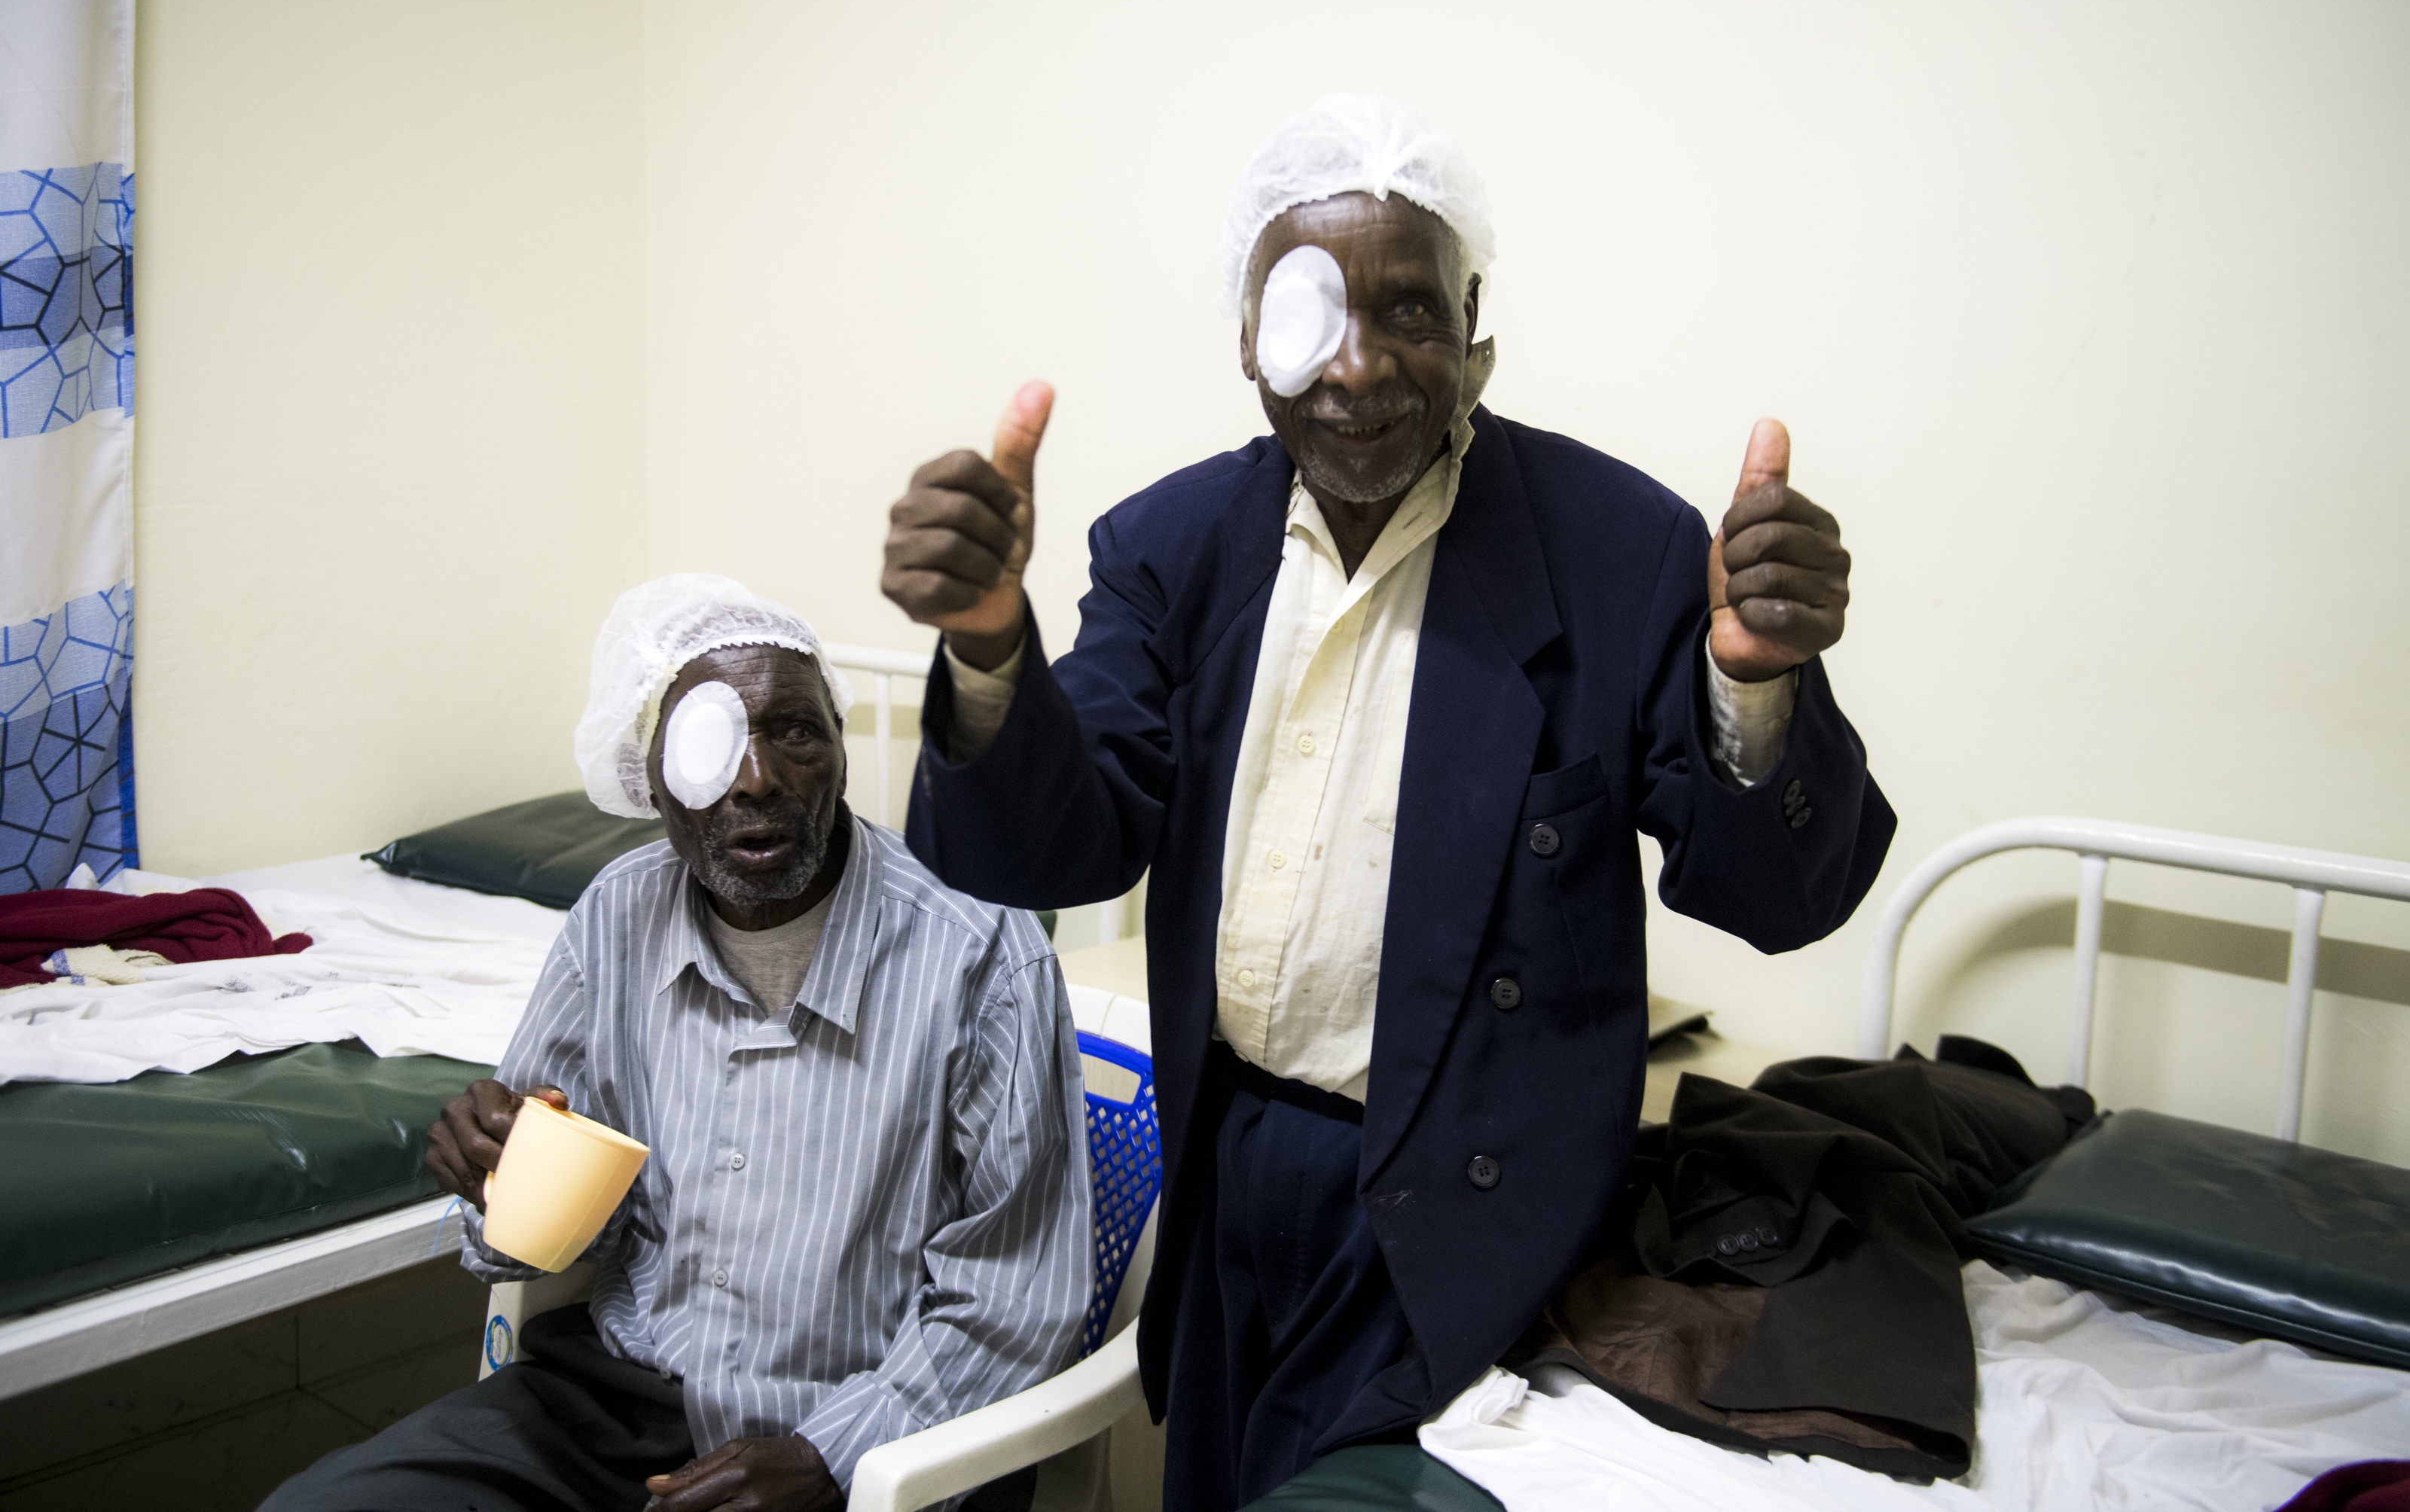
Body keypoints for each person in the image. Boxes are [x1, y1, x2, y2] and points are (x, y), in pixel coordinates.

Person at [880, 94, 1895, 1511]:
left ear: (1477, 331)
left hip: (1470, 1204)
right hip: (1229, 1167)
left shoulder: (1621, 554)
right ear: (1247, 340)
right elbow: (1067, 837)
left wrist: (1757, 689)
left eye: (1409, 311)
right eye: (1308, 316)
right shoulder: (1173, 547)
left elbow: (1779, 896)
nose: (1359, 366)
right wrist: (993, 651)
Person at [264, 575, 1091, 1512]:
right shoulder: (616, 917)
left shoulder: (982, 955)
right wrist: (494, 1179)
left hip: (868, 1434)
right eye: (710, 744)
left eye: (795, 732)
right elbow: (557, 1232)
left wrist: (835, 1457)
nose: (757, 778)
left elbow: (1017, 1301)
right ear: (650, 779)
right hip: (619, 1404)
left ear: (842, 754)